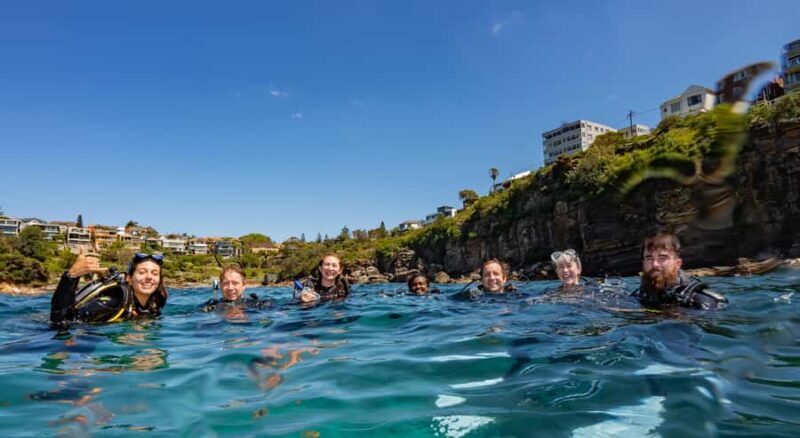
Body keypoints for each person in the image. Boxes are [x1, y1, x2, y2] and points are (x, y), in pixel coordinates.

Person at [50, 251, 168, 325]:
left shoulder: (153, 305)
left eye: (154, 273)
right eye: (142, 272)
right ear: (129, 279)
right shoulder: (113, 302)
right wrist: (71, 276)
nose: (149, 277)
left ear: (159, 280)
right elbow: (62, 321)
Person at [632, 232, 727, 310]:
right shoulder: (640, 295)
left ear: (677, 264)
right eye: (649, 258)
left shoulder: (701, 300)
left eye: (662, 258)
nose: (654, 264)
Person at [200, 266, 271, 312]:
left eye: (235, 283)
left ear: (244, 285)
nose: (230, 288)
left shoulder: (257, 304)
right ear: (220, 286)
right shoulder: (211, 305)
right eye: (226, 283)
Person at [452, 259, 516, 301]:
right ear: (482, 280)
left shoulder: (515, 297)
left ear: (504, 278)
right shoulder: (472, 296)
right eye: (487, 275)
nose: (491, 278)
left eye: (496, 274)